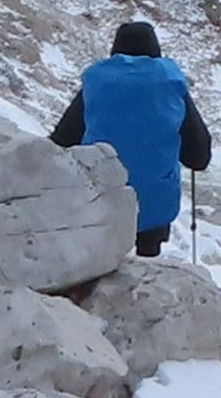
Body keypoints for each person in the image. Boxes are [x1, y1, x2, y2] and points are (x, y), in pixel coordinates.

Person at [56, 18, 211, 258]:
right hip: (155, 211)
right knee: (147, 250)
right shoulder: (171, 86)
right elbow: (199, 157)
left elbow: (62, 141)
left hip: (100, 202)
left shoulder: (98, 85)